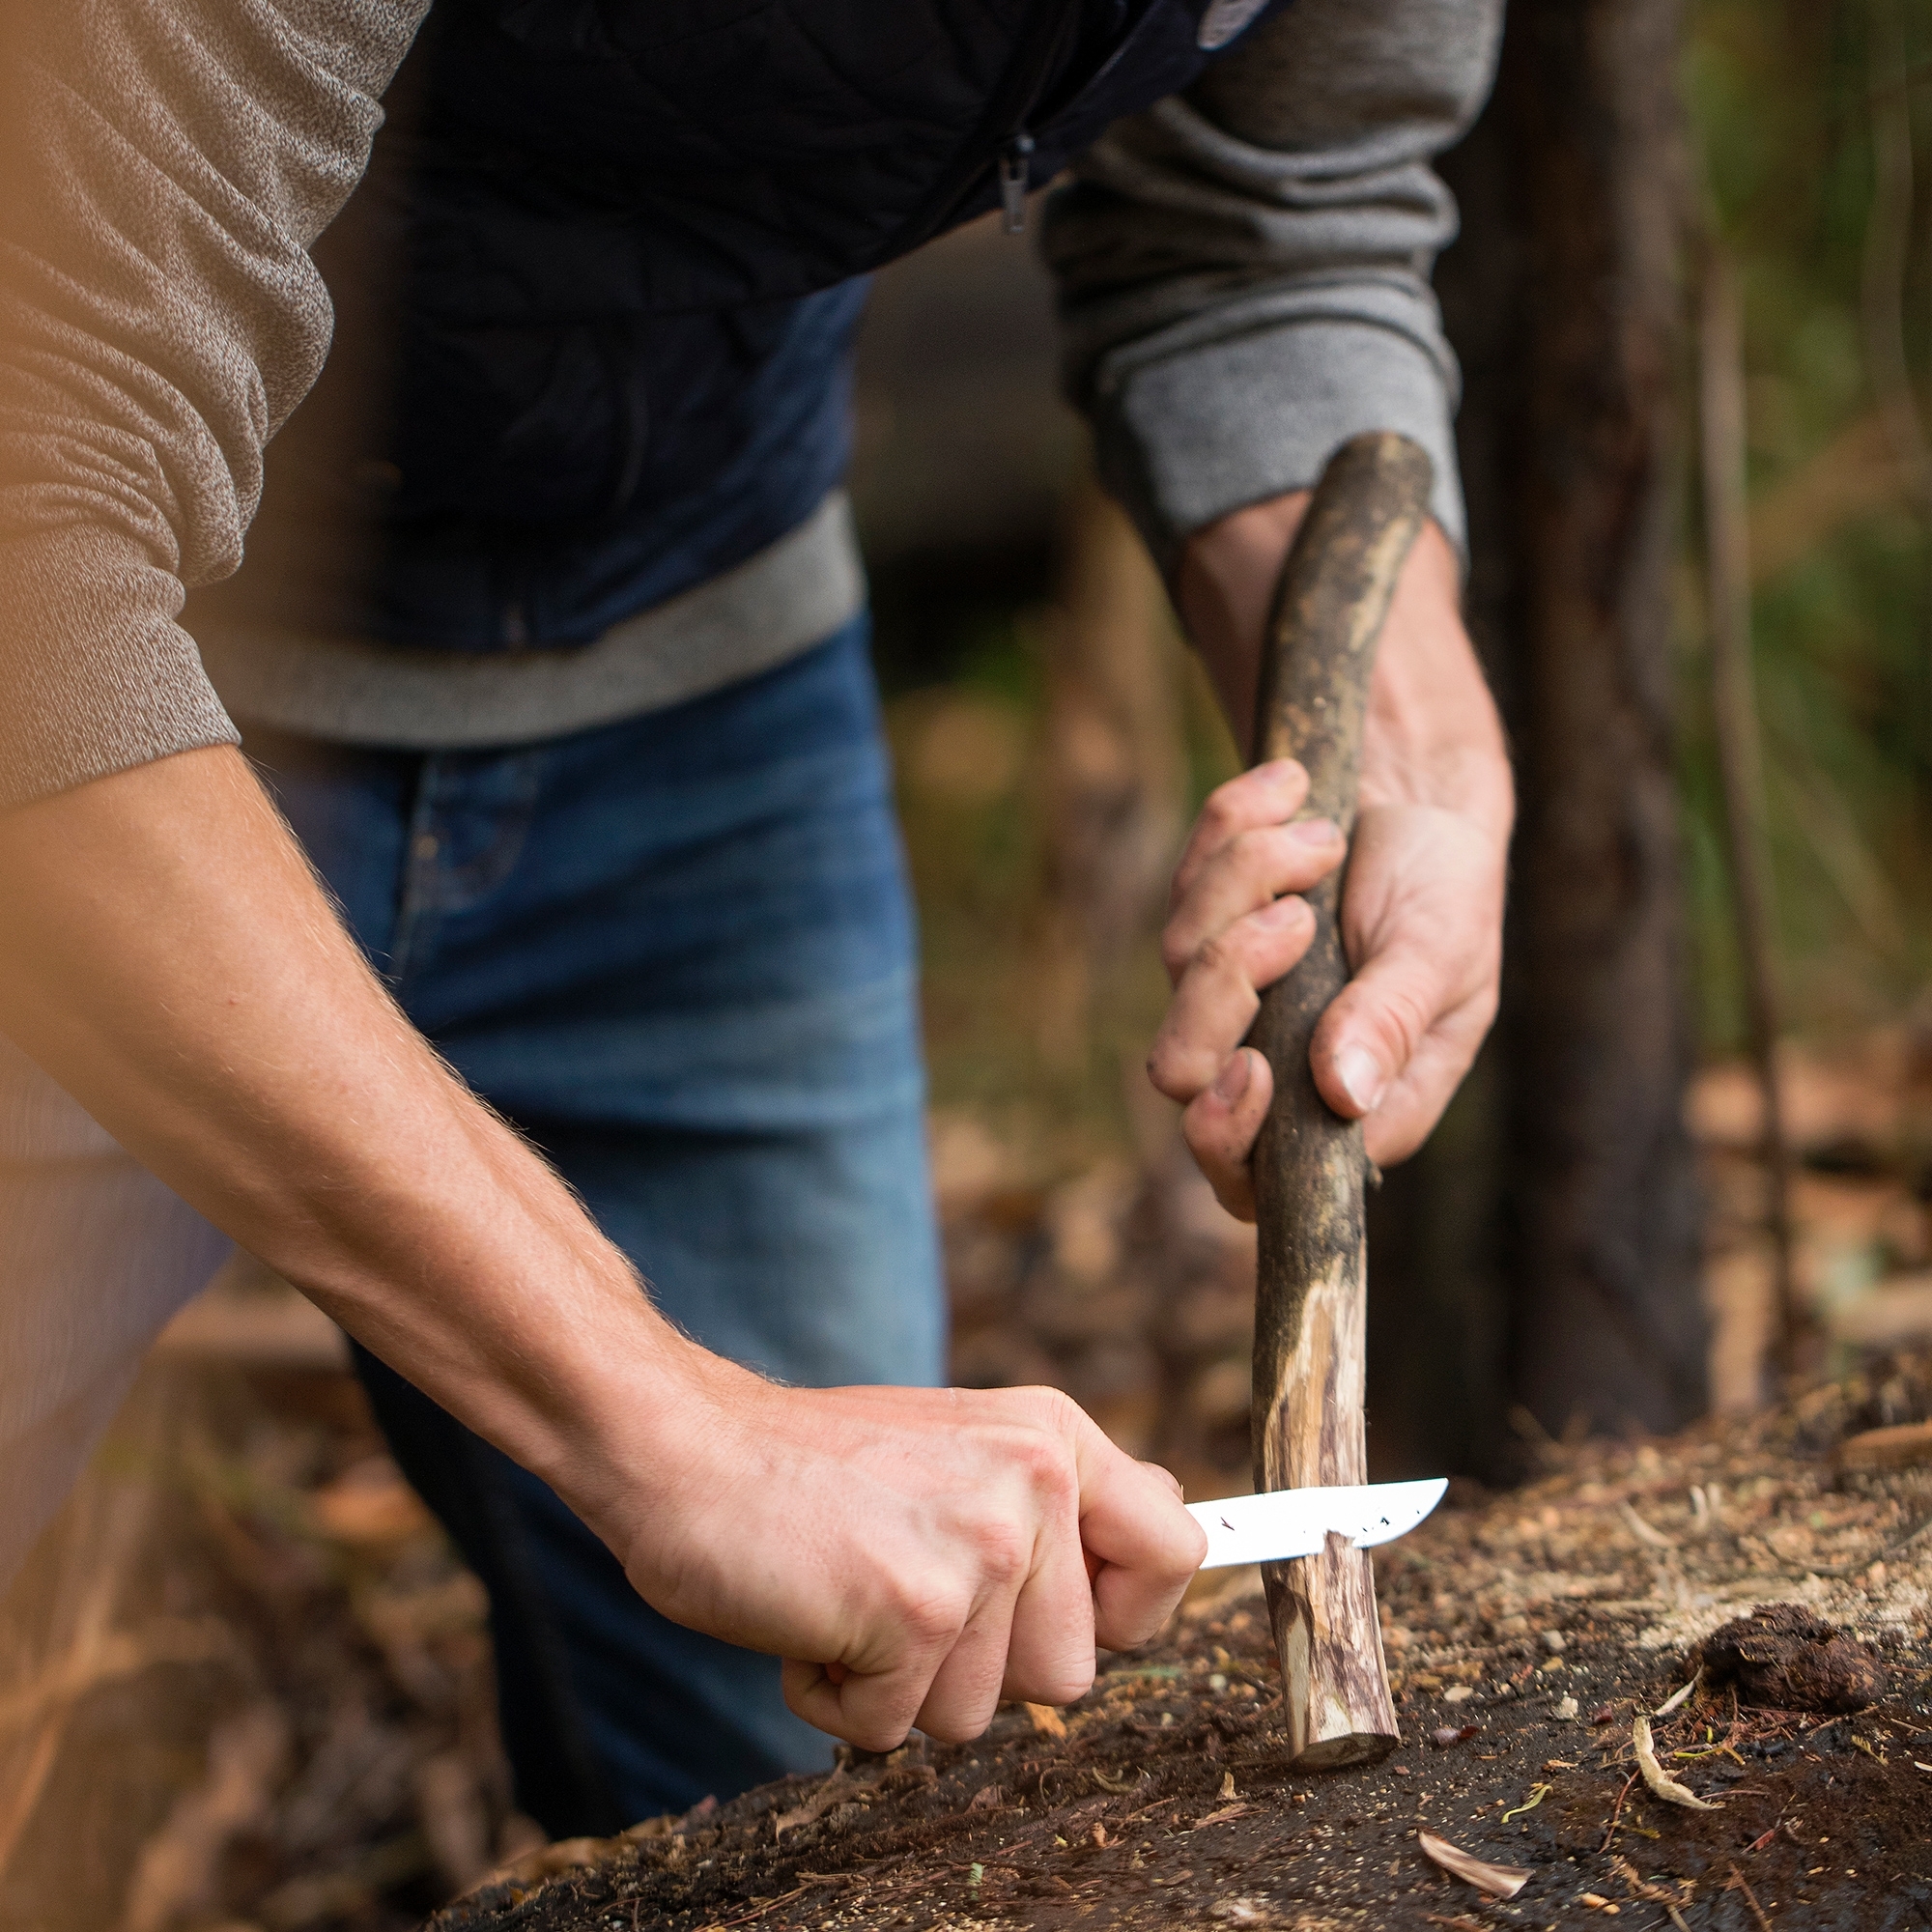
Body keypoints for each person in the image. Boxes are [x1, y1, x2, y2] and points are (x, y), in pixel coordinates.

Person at [0, 0, 1512, 1837]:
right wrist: (681, 1430)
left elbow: (1283, 221)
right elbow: (31, 546)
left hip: (696, 672)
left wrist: (1406, 753)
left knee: (828, 1763)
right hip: (91, 742)